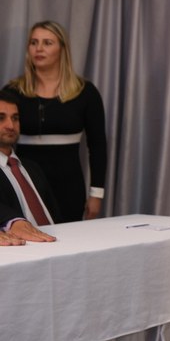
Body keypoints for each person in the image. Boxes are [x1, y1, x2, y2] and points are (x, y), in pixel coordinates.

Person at [3, 21, 107, 222]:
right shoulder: (12, 92)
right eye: (34, 42)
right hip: (24, 183)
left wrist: (96, 194)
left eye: (47, 43)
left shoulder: (85, 92)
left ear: (62, 49)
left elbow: (97, 146)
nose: (39, 48)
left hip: (68, 186)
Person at [0, 90, 58, 244]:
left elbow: (55, 215)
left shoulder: (32, 168)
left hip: (58, 239)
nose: (10, 126)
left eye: (15, 118)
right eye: (1, 118)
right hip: (24, 247)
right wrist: (13, 221)